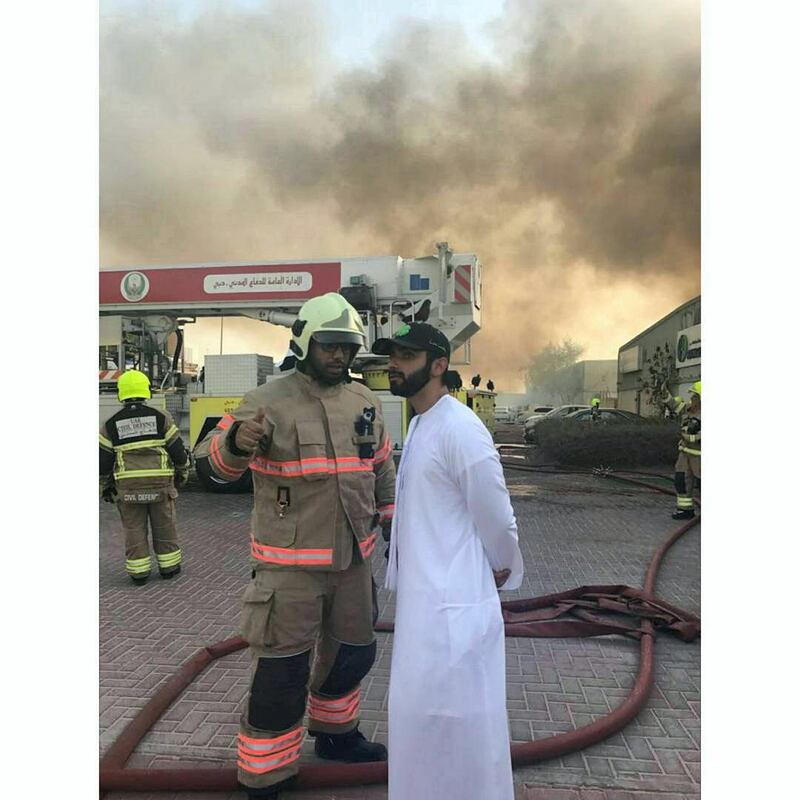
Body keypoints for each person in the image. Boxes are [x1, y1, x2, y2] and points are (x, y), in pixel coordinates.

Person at [194, 293, 395, 800]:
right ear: (305, 342)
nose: (339, 357)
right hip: (288, 570)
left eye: (347, 348)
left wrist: (395, 523)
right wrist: (237, 443)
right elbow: (212, 467)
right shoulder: (266, 401)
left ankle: (336, 736)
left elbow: (382, 469)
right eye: (329, 346)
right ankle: (266, 774)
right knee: (282, 673)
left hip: (353, 561)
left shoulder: (364, 402)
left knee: (354, 655)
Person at [372, 321, 524, 800]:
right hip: (424, 609)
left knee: (463, 736)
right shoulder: (420, 424)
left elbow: (496, 515)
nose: (394, 365)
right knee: (420, 730)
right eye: (393, 355)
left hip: (455, 610)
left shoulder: (461, 429)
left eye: (407, 356)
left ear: (439, 366)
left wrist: (502, 563)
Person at [99, 369, 189, 584]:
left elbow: (102, 463)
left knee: (134, 528)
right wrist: (182, 472)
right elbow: (177, 452)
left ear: (121, 393)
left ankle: (139, 573)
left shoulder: (110, 424)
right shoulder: (161, 417)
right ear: (146, 391)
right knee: (164, 525)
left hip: (128, 488)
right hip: (160, 486)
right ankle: (169, 568)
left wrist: (106, 486)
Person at [662, 380, 701, 519]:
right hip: (685, 454)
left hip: (699, 456)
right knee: (681, 481)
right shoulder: (689, 410)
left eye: (695, 397)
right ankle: (685, 510)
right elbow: (674, 405)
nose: (691, 399)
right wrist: (664, 393)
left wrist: (691, 437)